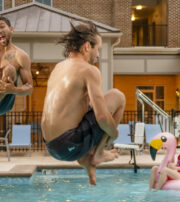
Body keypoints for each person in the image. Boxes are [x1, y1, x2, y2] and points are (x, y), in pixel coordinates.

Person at [41, 21, 125, 185]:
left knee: (87, 108)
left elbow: (81, 110)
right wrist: (113, 134)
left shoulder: (59, 67)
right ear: (87, 47)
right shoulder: (89, 70)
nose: (98, 55)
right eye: (97, 49)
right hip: (68, 144)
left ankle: (86, 160)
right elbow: (101, 117)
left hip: (50, 146)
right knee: (118, 96)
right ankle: (99, 153)